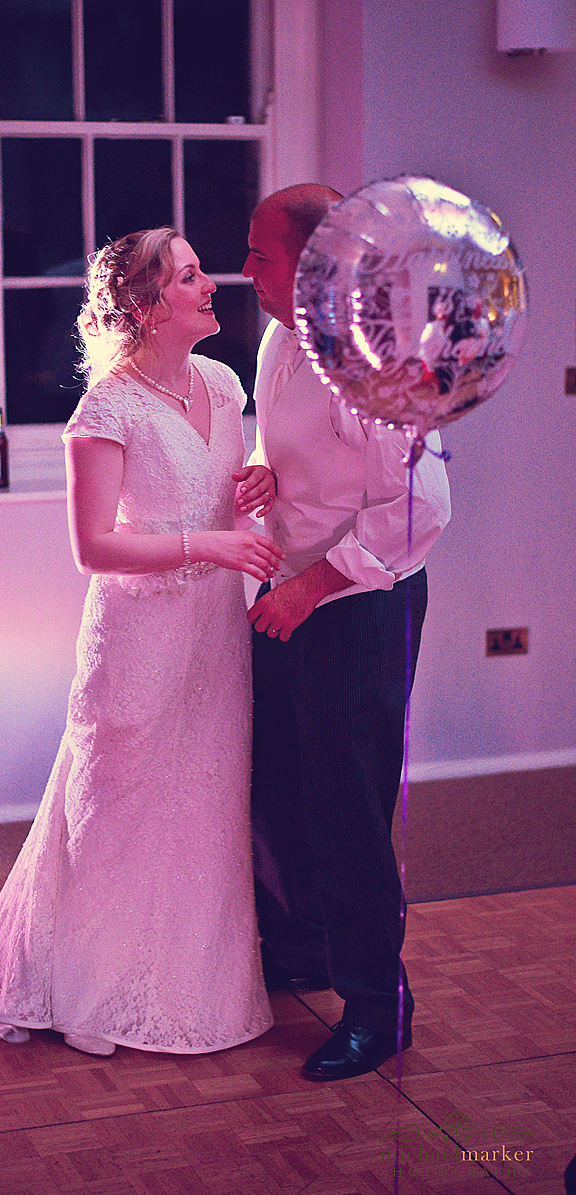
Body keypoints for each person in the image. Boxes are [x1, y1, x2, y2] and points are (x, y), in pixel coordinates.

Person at [0, 227, 283, 1057]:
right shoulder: (106, 406)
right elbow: (94, 547)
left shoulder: (222, 382)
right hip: (137, 635)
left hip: (212, 634)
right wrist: (210, 545)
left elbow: (230, 499)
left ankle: (175, 979)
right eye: (188, 276)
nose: (211, 283)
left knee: (201, 803)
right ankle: (79, 988)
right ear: (144, 307)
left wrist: (257, 482)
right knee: (114, 805)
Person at [242, 185, 452, 1081]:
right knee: (280, 788)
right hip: (286, 591)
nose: (242, 267)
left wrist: (314, 586)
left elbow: (421, 510)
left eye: (259, 254)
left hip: (361, 603)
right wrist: (259, 475)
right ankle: (306, 949)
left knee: (348, 807)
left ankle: (378, 1007)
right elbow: (281, 443)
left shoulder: (377, 360)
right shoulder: (280, 337)